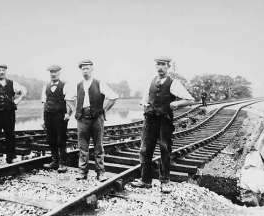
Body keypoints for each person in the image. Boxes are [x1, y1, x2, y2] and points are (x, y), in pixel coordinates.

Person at [131, 57, 194, 192]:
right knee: (145, 149)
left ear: (168, 67)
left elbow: (190, 100)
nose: (160, 67)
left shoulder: (174, 83)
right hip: (150, 119)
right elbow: (145, 97)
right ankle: (145, 180)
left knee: (165, 149)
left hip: (164, 120)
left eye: (163, 65)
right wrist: (144, 104)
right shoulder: (151, 80)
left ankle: (165, 181)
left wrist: (177, 103)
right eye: (158, 65)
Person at [65, 59, 118, 181]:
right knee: (82, 146)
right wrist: (75, 110)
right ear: (80, 70)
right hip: (82, 119)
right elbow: (68, 98)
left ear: (92, 69)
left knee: (98, 147)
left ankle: (101, 173)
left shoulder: (99, 83)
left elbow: (113, 97)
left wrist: (104, 110)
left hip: (96, 119)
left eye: (87, 68)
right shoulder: (78, 85)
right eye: (83, 68)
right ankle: (82, 172)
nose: (85, 70)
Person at [42, 65, 71, 173]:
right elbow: (44, 103)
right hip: (48, 115)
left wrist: (68, 114)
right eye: (51, 72)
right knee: (51, 139)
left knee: (61, 139)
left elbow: (69, 101)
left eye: (55, 72)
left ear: (59, 73)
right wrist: (42, 119)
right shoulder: (46, 86)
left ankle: (63, 163)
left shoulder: (65, 85)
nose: (53, 74)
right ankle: (55, 161)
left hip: (60, 116)